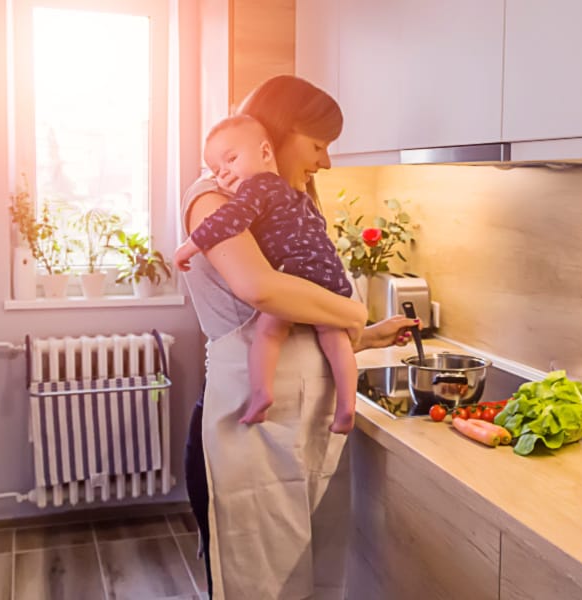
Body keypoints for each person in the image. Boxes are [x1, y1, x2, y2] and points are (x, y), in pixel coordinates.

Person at [178, 74, 418, 599]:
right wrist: (353, 310)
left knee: (313, 578)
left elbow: (304, 321)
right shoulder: (213, 195)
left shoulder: (289, 207)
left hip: (304, 433)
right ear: (276, 136)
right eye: (318, 145)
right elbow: (261, 289)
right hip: (249, 429)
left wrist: (369, 334)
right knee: (261, 584)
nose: (326, 162)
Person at [175, 115, 358, 434]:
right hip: (326, 271)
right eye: (217, 170)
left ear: (264, 152)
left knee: (269, 331)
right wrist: (355, 316)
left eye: (231, 159)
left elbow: (229, 221)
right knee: (334, 336)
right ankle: (346, 407)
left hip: (294, 271)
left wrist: (190, 245)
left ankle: (261, 394)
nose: (224, 173)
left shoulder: (257, 186)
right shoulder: (298, 195)